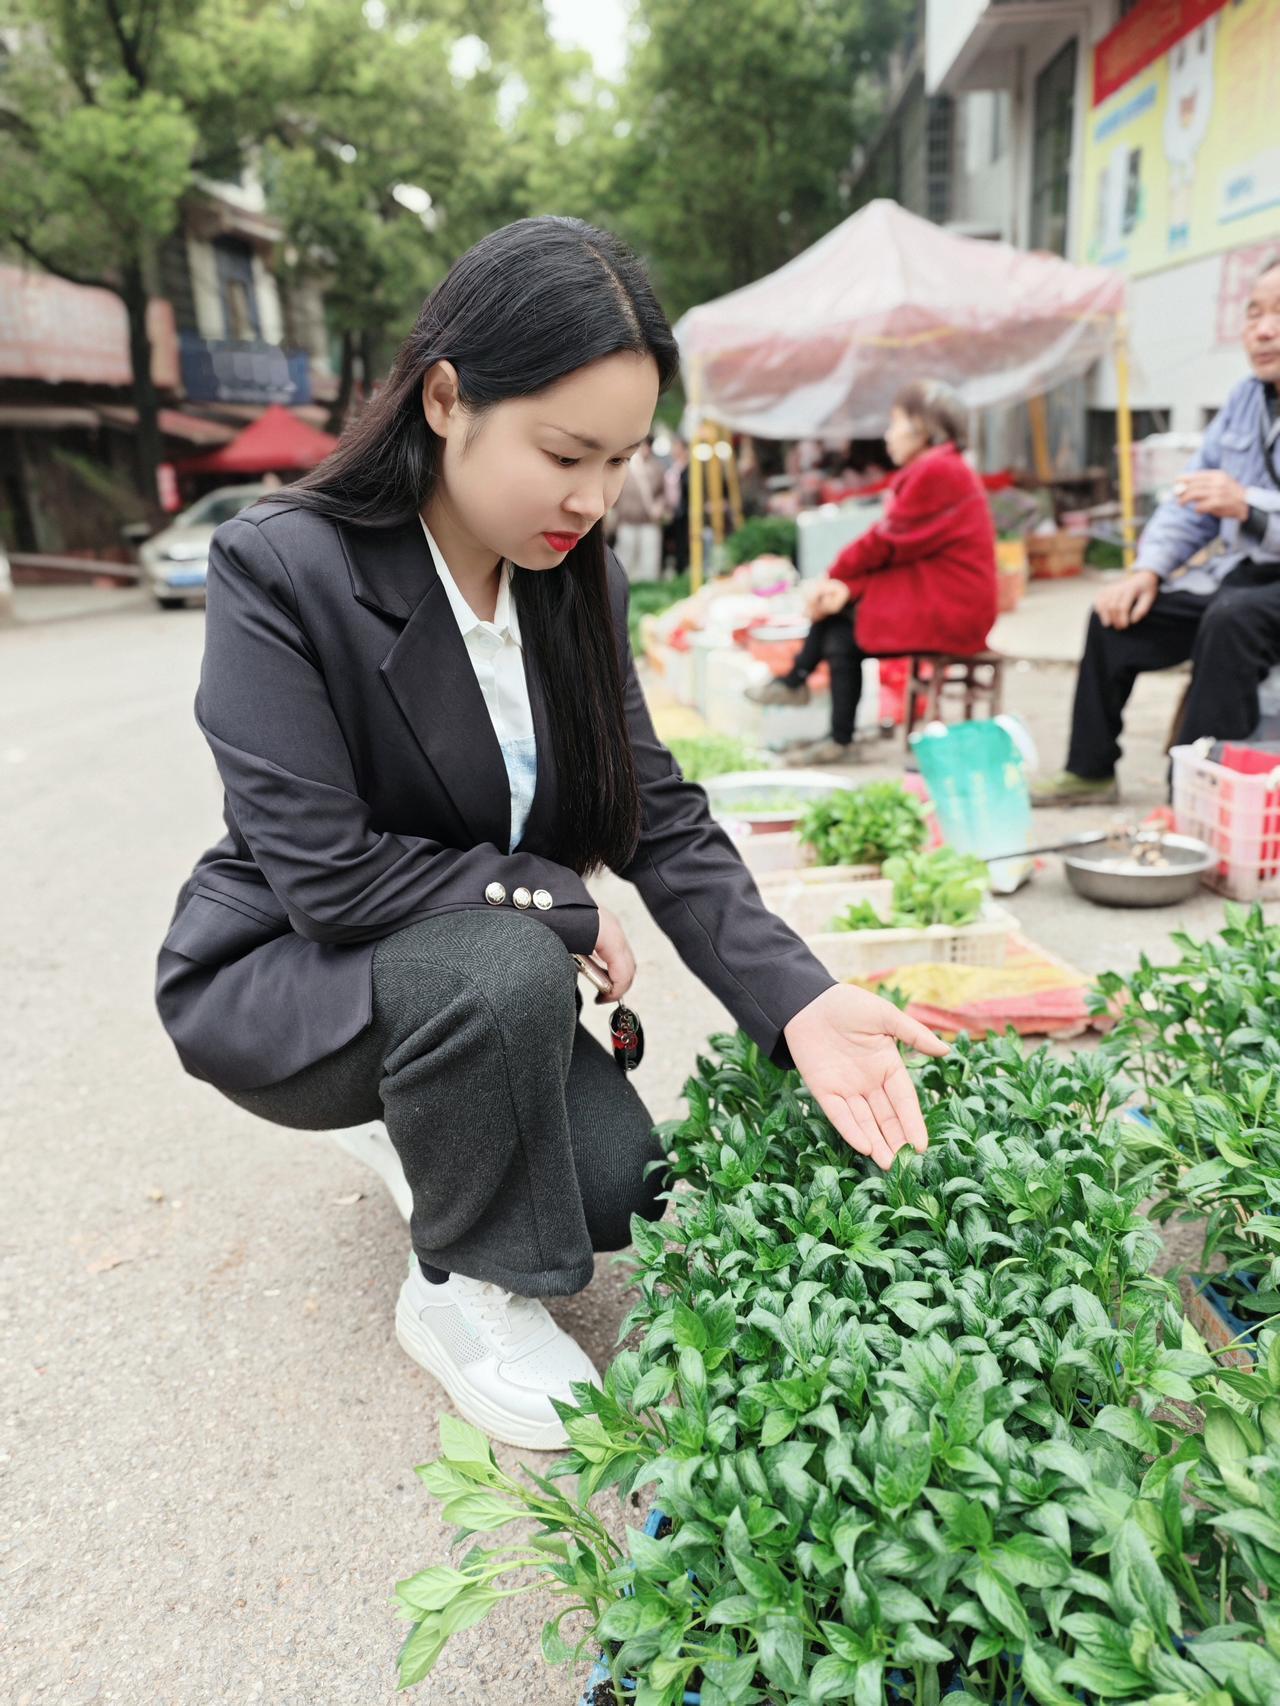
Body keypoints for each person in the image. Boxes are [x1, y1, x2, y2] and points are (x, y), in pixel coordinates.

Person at [154, 217, 946, 1452]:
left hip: (460, 972)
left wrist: (797, 998)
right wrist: (548, 896)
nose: (594, 496)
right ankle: (457, 1291)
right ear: (447, 396)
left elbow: (660, 817)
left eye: (622, 458)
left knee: (617, 1182)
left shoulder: (575, 580)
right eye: (564, 451)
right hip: (288, 972)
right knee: (510, 956)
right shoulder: (283, 567)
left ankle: (431, 1109)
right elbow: (322, 874)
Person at [1035, 254, 1280, 806]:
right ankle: (1089, 772)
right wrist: (1147, 570)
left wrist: (1250, 506)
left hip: (1257, 596)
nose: (1264, 330)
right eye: (1254, 313)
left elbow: (1235, 503)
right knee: (1115, 616)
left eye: (1279, 314)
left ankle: (1194, 803)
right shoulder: (1245, 400)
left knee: (1230, 619)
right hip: (1243, 577)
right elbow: (1190, 500)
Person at [747, 380, 997, 767]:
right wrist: (843, 586)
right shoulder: (938, 467)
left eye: (895, 422)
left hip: (955, 605)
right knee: (842, 623)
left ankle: (802, 689)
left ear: (923, 427)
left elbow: (888, 542)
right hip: (937, 592)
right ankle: (824, 719)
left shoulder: (938, 471)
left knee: (844, 619)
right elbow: (898, 548)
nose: (887, 434)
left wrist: (836, 578)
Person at [610, 434, 665, 581]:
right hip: (626, 520)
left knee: (649, 559)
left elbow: (662, 494)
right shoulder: (625, 465)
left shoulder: (657, 468)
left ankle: (647, 587)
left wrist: (660, 507)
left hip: (648, 521)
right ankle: (622, 584)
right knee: (624, 557)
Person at [661, 434, 690, 576]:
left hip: (686, 513)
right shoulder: (673, 468)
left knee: (685, 542)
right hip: (675, 513)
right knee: (675, 542)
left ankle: (683, 569)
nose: (674, 450)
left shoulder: (690, 469)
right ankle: (679, 569)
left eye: (676, 447)